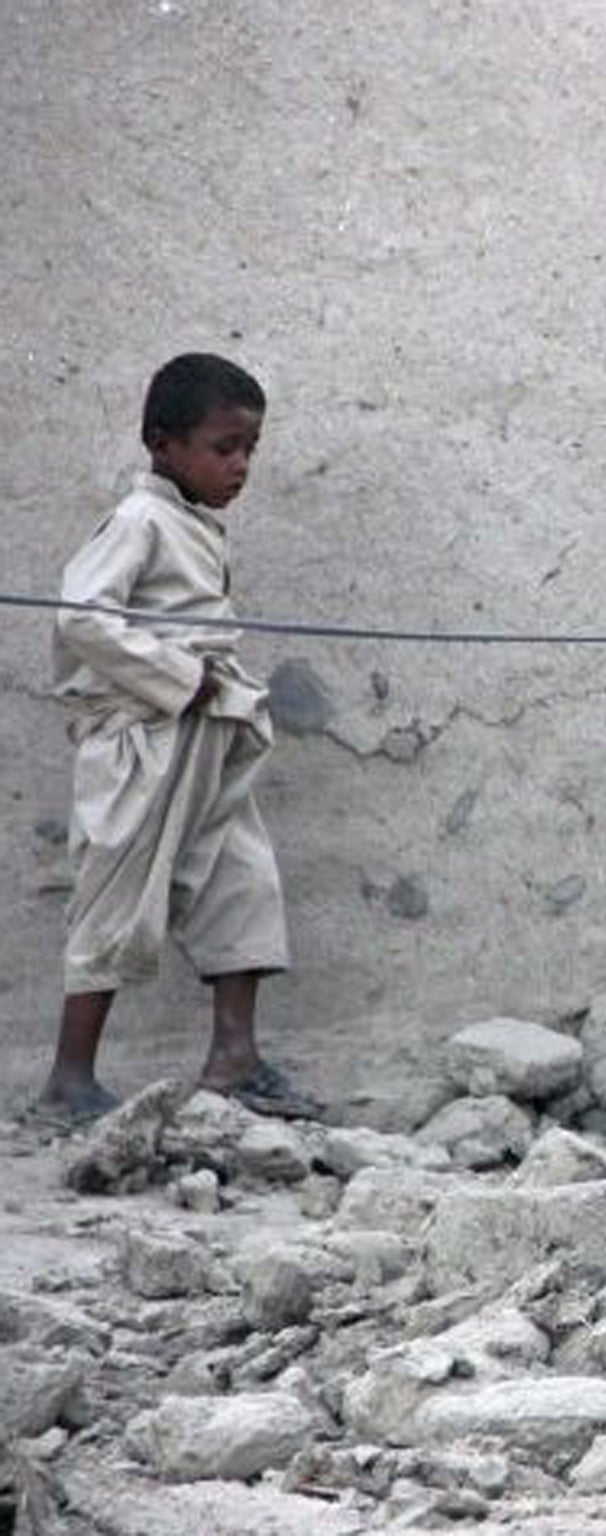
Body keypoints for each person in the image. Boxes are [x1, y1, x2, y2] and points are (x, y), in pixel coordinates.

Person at [36, 353, 319, 1127]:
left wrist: (208, 691)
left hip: (207, 735)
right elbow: (83, 618)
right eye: (224, 447)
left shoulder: (192, 521)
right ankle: (68, 1079)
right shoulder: (138, 520)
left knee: (243, 879)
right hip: (146, 741)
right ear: (164, 444)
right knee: (117, 896)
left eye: (251, 449)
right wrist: (178, 676)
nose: (241, 465)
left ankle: (235, 1058)